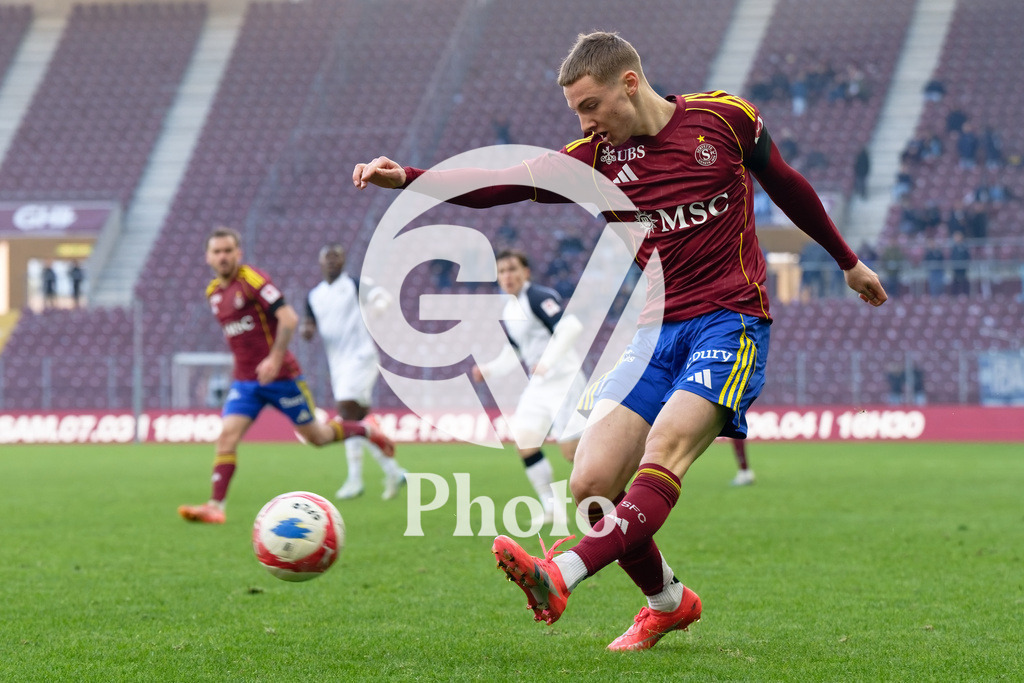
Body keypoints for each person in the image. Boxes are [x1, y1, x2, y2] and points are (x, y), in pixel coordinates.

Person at [352, 31, 886, 651]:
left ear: (629, 84)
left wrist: (847, 262)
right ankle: (668, 602)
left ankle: (560, 573)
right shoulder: (595, 160)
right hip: (653, 329)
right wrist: (411, 178)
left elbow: (785, 182)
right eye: (577, 112)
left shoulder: (725, 119)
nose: (585, 123)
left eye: (591, 106)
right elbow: (502, 183)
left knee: (663, 452)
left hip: (730, 319)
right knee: (589, 486)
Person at [178, 227, 394, 524]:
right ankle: (216, 505)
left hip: (282, 378)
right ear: (208, 257)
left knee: (317, 437)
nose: (223, 257)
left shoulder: (253, 281)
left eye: (228, 251)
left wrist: (274, 358)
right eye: (217, 252)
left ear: (238, 253)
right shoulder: (213, 293)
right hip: (246, 383)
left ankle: (368, 431)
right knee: (226, 437)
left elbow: (289, 318)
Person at [470, 249, 586, 525]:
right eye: (502, 271)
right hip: (540, 385)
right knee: (524, 441)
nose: (507, 276)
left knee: (572, 454)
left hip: (564, 380)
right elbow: (516, 351)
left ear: (526, 272)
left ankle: (616, 486)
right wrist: (491, 369)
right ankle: (552, 508)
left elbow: (571, 327)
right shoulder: (510, 308)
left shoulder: (538, 297)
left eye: (512, 269)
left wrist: (548, 361)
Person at [301, 243, 407, 501]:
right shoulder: (314, 296)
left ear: (344, 260)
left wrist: (378, 308)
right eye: (328, 257)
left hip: (361, 357)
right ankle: (394, 471)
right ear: (320, 262)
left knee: (346, 412)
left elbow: (384, 297)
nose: (332, 261)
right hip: (337, 365)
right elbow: (309, 323)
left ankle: (355, 479)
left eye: (337, 257)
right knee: (358, 422)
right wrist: (307, 331)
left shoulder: (354, 285)